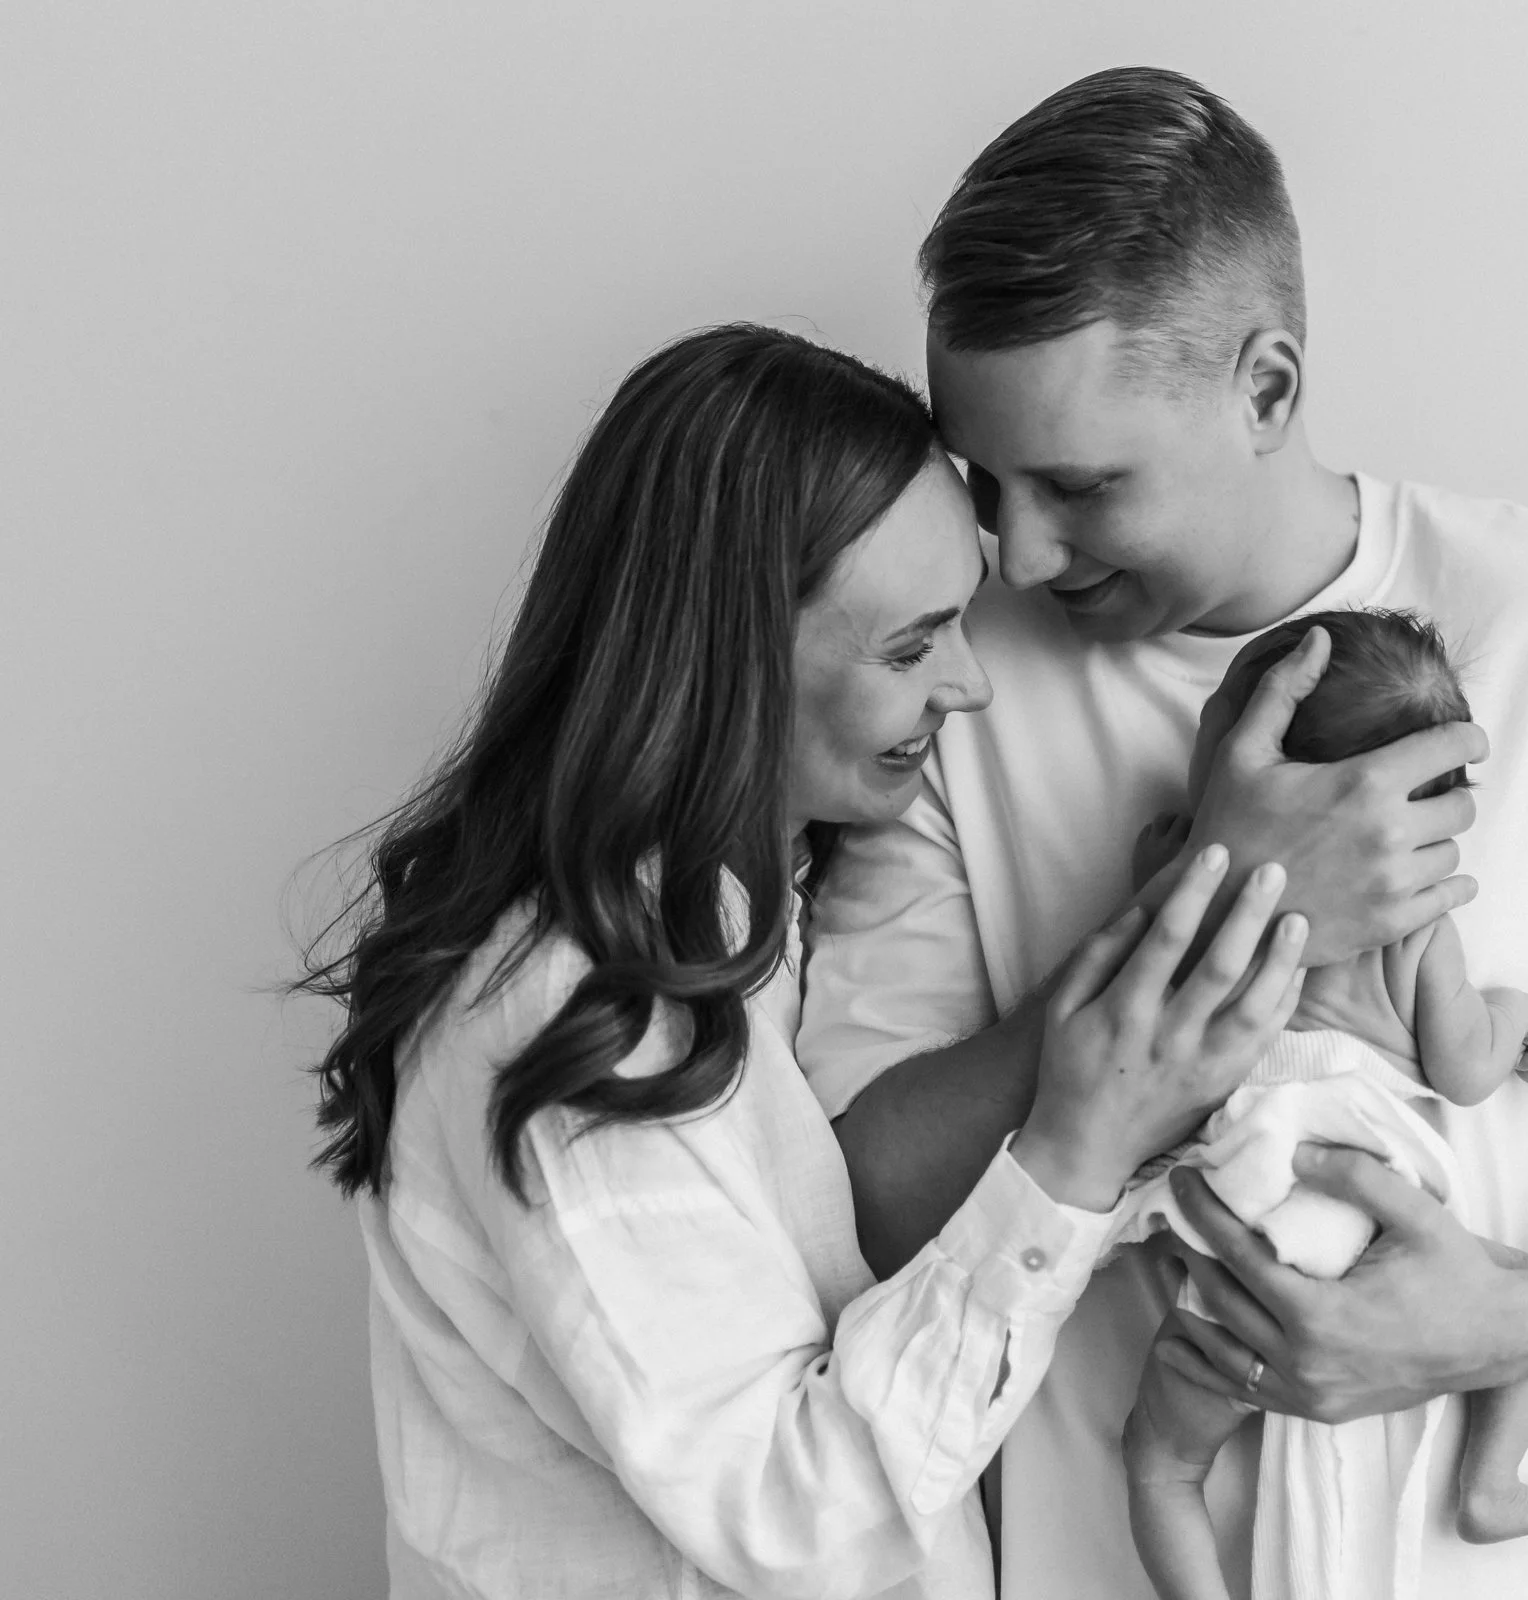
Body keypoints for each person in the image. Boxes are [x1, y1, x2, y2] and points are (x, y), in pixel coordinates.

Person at [805, 67, 1528, 1600]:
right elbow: (863, 1208)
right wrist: (1216, 896)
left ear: (1267, 388)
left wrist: (1521, 1323)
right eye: (984, 481)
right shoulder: (948, 690)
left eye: (1079, 486)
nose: (1015, 552)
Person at [297, 323, 1315, 1600]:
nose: (970, 687)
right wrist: (1072, 1149)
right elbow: (804, 1524)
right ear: (728, 661)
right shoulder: (578, 1008)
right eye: (910, 645)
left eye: (963, 622)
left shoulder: (754, 928)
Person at [1115, 608, 1528, 1600]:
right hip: (1361, 1213)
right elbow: (1466, 1069)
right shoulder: (1419, 925)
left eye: (1220, 723)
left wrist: (1160, 869)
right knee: (1522, 1298)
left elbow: (1142, 983)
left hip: (1235, 1204)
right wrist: (1519, 1015)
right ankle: (1489, 1485)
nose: (1198, 730)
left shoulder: (1200, 892)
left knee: (1162, 1463)